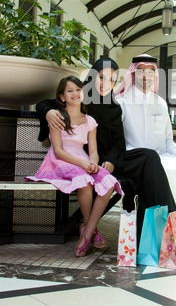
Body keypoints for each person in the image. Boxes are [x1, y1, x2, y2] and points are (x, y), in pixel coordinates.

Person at [36, 58, 176, 243]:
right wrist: (47, 111)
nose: (106, 84)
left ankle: (165, 224)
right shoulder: (83, 96)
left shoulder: (114, 107)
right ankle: (162, 231)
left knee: (149, 157)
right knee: (144, 173)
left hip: (109, 162)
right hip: (85, 161)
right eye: (101, 78)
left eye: (112, 80)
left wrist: (111, 160)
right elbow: (45, 103)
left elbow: (118, 142)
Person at [115, 54, 176, 241]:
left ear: (155, 75)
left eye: (150, 71)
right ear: (133, 74)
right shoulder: (121, 102)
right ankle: (170, 228)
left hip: (160, 156)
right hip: (134, 159)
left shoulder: (160, 104)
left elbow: (168, 141)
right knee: (156, 166)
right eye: (140, 71)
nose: (145, 76)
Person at [26, 76, 123, 258]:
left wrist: (93, 164)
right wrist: (82, 164)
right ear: (62, 97)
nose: (75, 93)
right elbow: (58, 150)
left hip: (84, 159)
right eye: (69, 90)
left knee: (109, 182)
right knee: (84, 182)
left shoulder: (90, 121)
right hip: (61, 159)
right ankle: (90, 230)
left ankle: (87, 229)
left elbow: (93, 151)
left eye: (78, 89)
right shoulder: (58, 117)